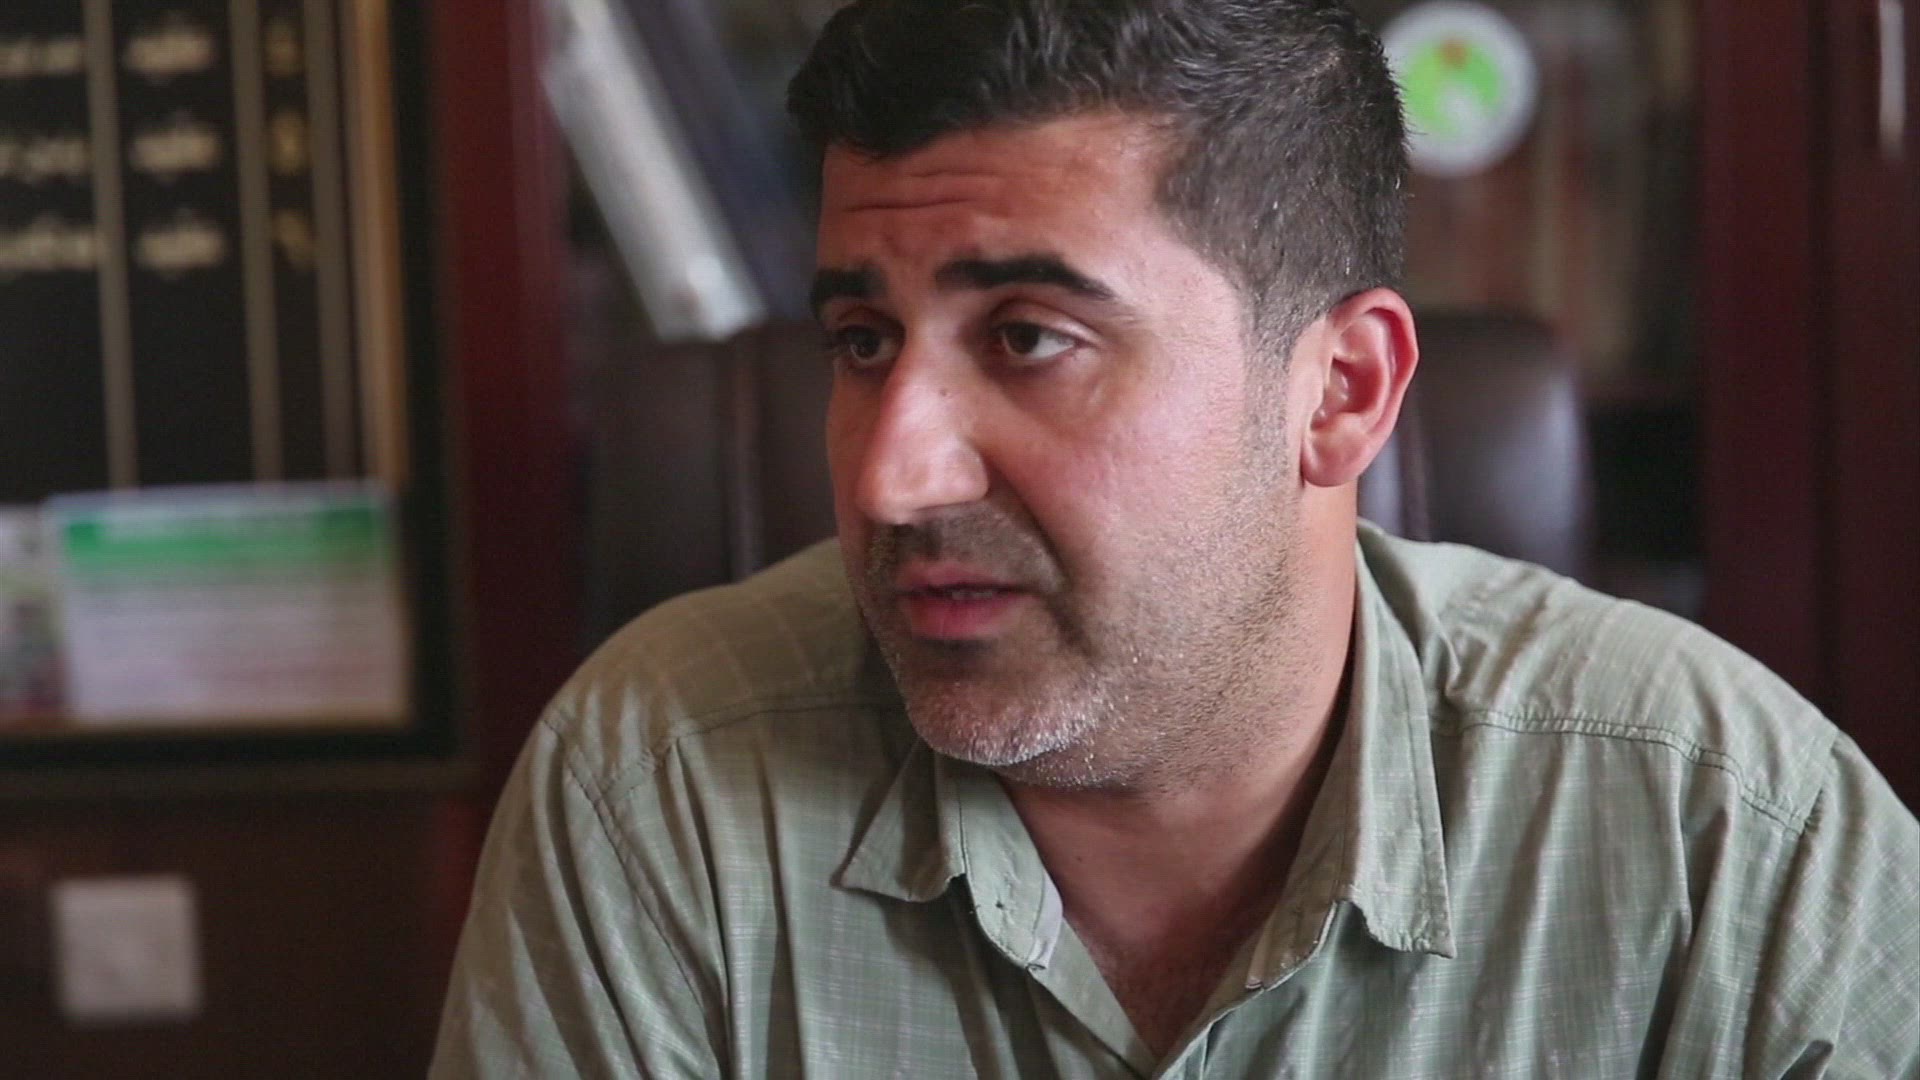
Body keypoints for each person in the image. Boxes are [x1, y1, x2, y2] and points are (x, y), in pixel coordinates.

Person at [432, 1, 1920, 1075]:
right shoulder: (664, 786)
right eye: (862, 341)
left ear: (1340, 393)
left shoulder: (1726, 833)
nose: (891, 476)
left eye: (1029, 337)